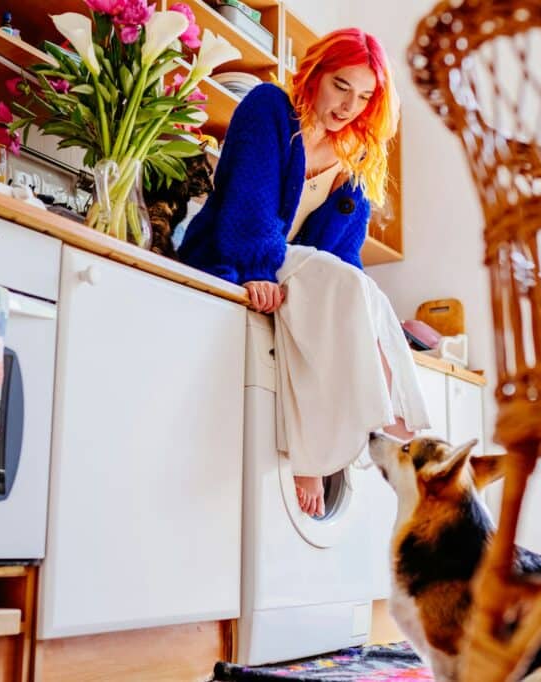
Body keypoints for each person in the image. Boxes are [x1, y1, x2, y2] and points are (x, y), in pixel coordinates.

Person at [179, 28, 430, 517]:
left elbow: (344, 254)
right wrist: (255, 266)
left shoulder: (354, 154)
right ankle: (353, 431)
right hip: (234, 257)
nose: (348, 107)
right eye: (341, 85)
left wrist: (352, 307)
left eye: (363, 97)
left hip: (296, 274)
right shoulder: (270, 108)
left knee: (359, 287)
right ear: (315, 72)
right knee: (343, 286)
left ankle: (381, 417)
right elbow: (246, 197)